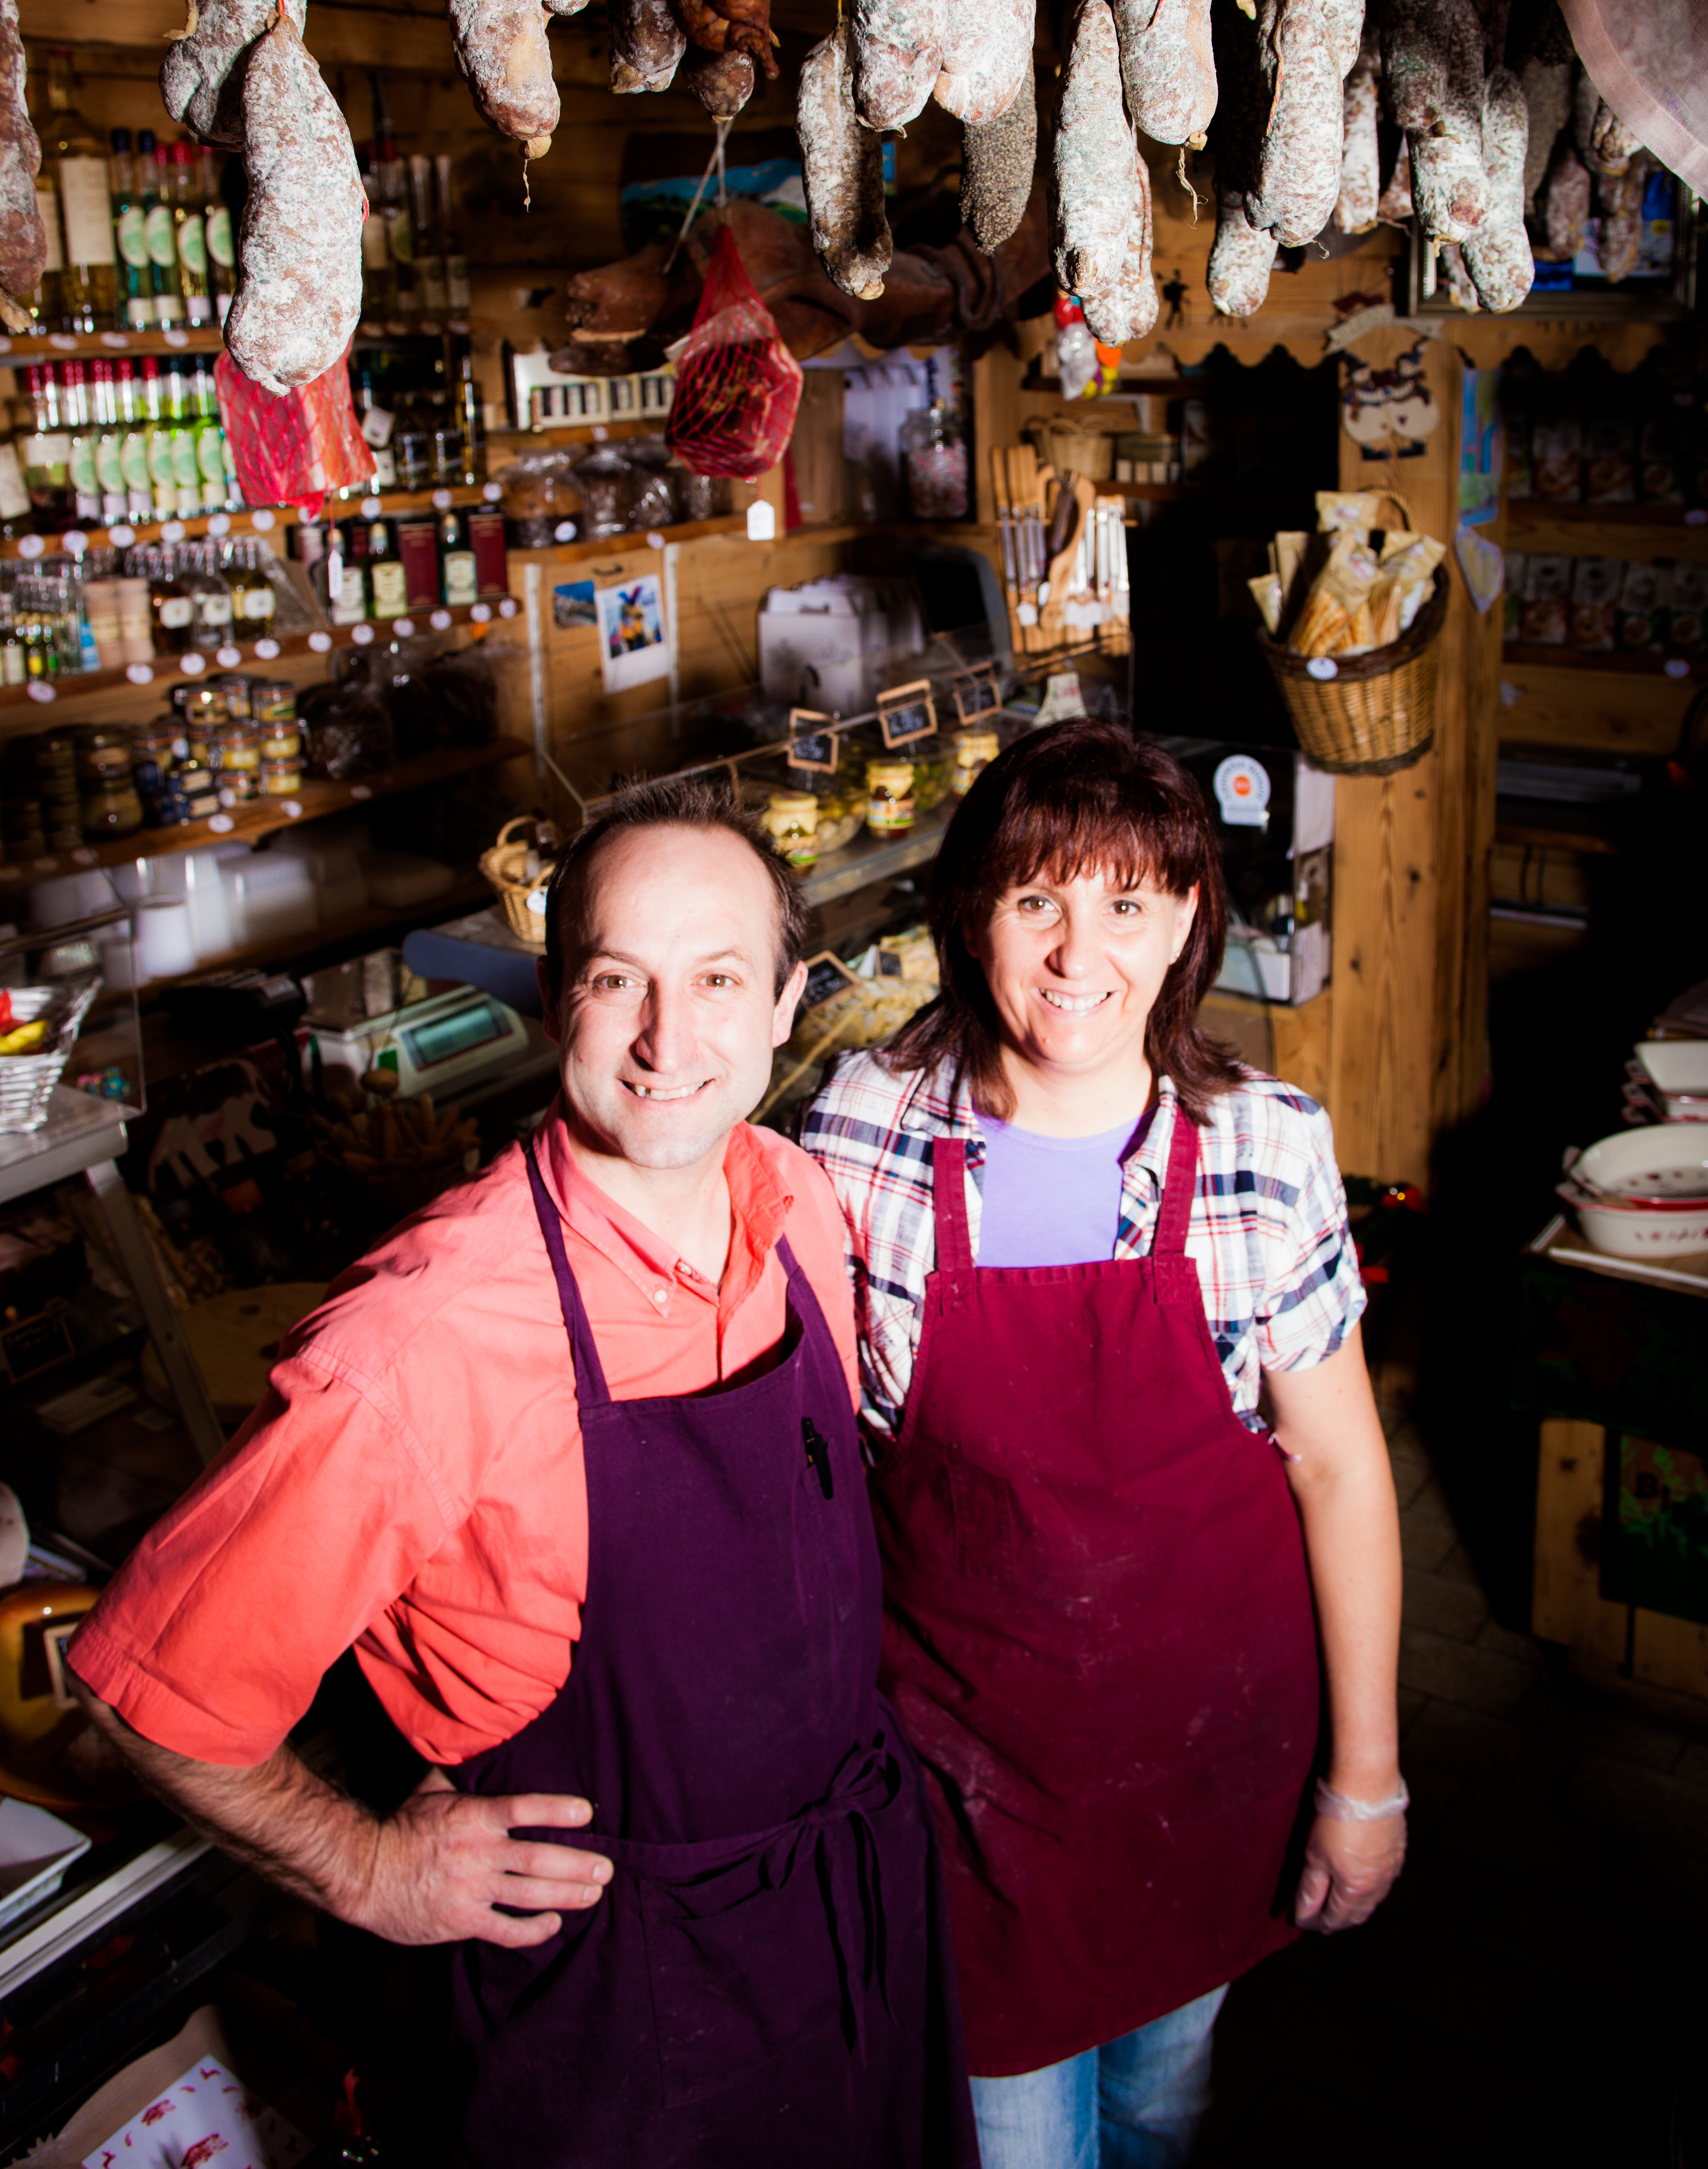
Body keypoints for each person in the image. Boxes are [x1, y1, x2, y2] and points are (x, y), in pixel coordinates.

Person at [69, 776, 975, 2169]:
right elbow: (154, 1689)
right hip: (608, 2013)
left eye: (721, 978)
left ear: (791, 1002)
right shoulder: (432, 1337)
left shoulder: (796, 1208)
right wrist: (366, 1864)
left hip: (840, 1927)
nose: (672, 1038)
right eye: (622, 980)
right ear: (562, 1001)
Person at [801, 721, 1406, 2169]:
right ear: (972, 915)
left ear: (1191, 919)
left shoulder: (1267, 1148)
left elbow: (1338, 1468)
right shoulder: (867, 1129)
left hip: (1204, 1778)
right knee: (1013, 2139)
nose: (1080, 956)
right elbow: (810, 1473)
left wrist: (1366, 1781)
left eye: (1127, 905)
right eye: (1037, 903)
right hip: (971, 1793)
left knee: (1159, 2110)